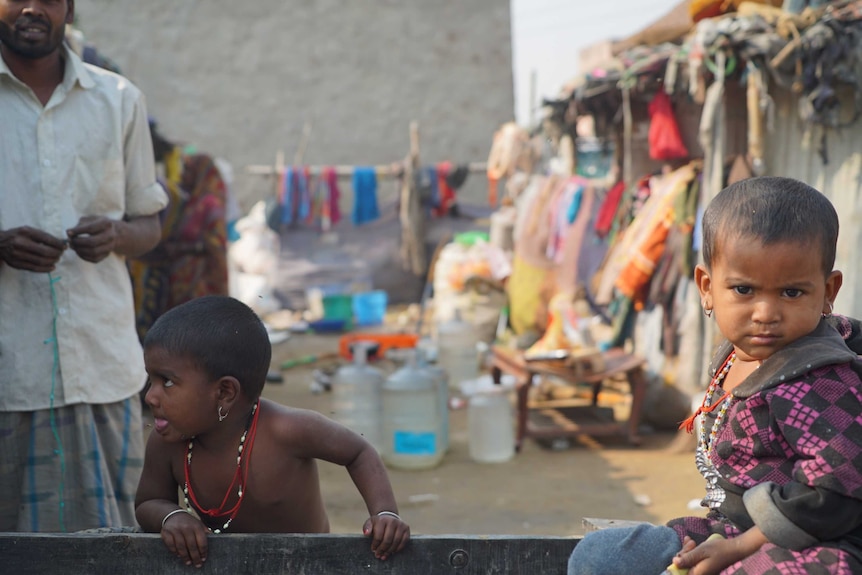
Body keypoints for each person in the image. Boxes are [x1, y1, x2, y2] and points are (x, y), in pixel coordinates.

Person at [568, 176, 862, 575]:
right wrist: (715, 544)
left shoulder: (819, 377)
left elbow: (835, 493)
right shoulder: (733, 354)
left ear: (828, 291)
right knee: (602, 556)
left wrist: (739, 549)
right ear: (707, 288)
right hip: (725, 529)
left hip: (810, 539)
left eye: (792, 293)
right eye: (743, 290)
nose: (765, 313)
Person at [0, 0, 167, 532]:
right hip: (10, 374)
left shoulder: (118, 99)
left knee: (117, 545)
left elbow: (149, 224)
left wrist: (117, 233)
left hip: (103, 368)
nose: (31, 8)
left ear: (69, 9)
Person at [135, 296, 410, 568]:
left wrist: (384, 513)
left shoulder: (287, 430)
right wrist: (170, 516)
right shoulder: (166, 443)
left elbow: (358, 451)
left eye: (167, 382)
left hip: (308, 566)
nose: (150, 396)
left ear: (224, 392)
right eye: (151, 379)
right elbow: (148, 501)